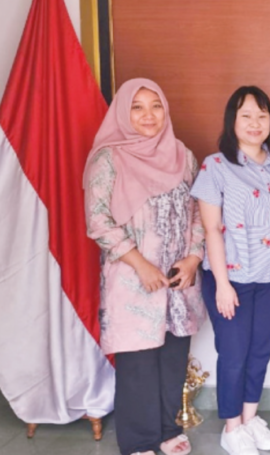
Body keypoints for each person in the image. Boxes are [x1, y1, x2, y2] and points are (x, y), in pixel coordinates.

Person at [84, 78, 206, 455]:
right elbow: (98, 221)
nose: (148, 115)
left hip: (178, 280)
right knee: (137, 362)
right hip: (133, 279)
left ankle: (168, 431)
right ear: (124, 113)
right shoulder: (108, 159)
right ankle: (139, 441)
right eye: (137, 107)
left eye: (156, 106)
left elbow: (199, 211)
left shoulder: (183, 156)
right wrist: (141, 265)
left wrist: (194, 257)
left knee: (172, 358)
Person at [191, 86, 270, 455]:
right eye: (246, 115)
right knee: (234, 353)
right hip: (230, 278)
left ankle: (250, 418)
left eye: (262, 116)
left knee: (261, 350)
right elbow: (211, 230)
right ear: (231, 121)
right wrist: (221, 284)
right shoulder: (215, 166)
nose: (255, 123)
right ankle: (231, 426)